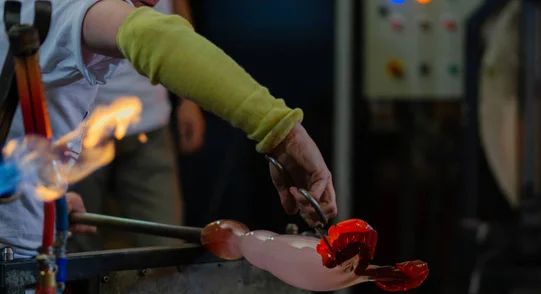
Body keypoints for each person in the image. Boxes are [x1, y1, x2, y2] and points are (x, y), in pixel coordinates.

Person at [0, 0, 337, 260]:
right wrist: (282, 133)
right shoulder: (57, 7)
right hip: (16, 272)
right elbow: (154, 36)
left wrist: (40, 197)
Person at [69, 0, 205, 252]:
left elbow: (177, 10)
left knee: (164, 248)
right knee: (76, 247)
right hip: (78, 128)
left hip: (150, 121)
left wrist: (189, 98)